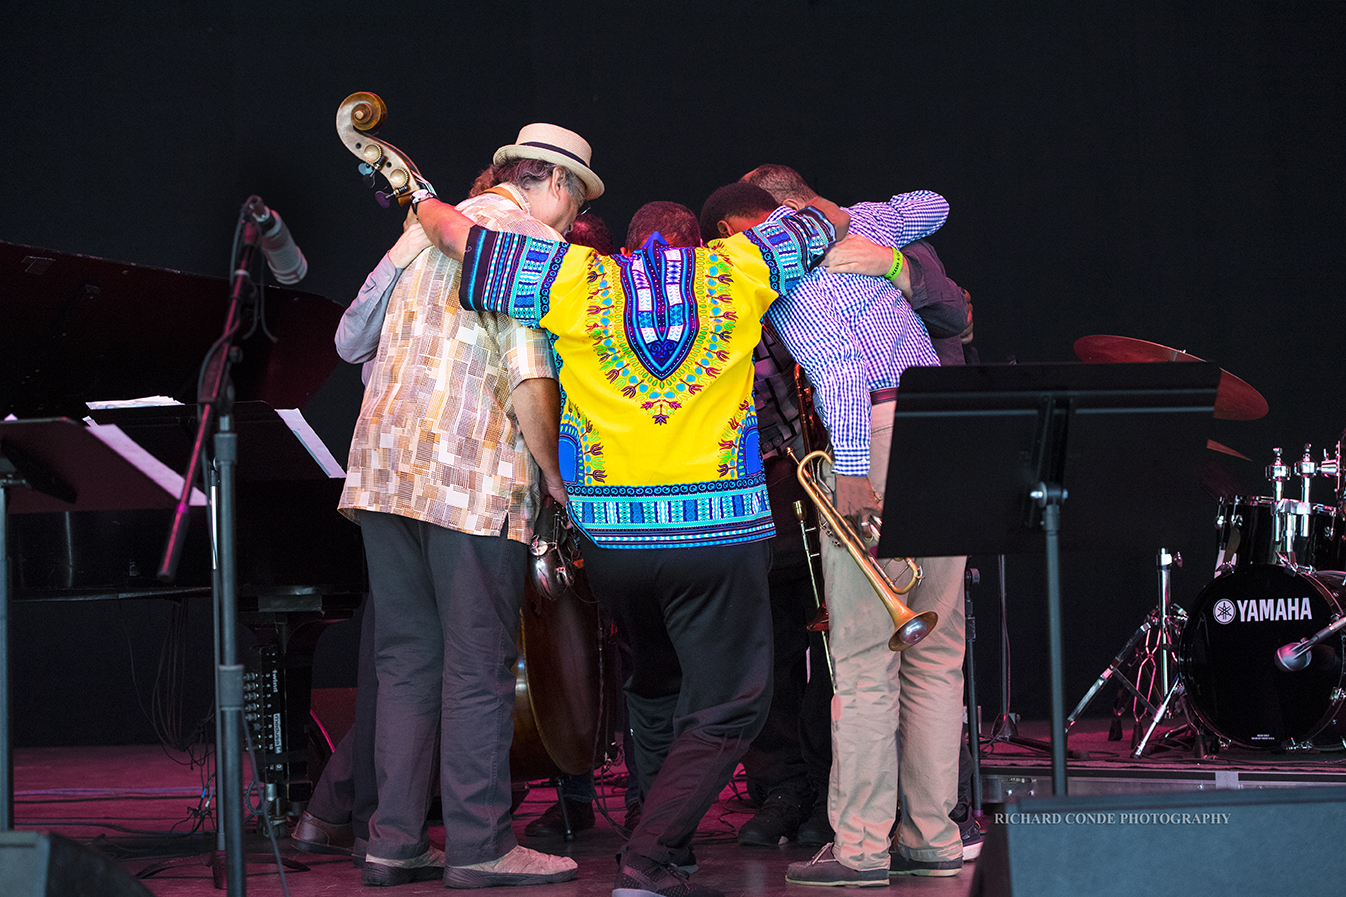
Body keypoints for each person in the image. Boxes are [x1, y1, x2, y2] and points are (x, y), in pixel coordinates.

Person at [413, 180, 944, 897]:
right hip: (715, 535)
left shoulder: (574, 275)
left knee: (654, 681)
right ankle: (653, 851)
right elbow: (866, 216)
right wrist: (862, 236)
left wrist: (411, 189)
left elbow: (456, 238)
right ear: (700, 242)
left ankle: (661, 834)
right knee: (731, 702)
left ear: (630, 248)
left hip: (614, 541)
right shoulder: (739, 264)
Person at [337, 123, 601, 888]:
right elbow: (527, 373)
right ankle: (482, 842)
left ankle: (393, 839)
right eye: (575, 204)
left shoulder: (422, 229)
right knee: (479, 665)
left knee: (405, 662)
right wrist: (554, 471)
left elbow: (349, 336)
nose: (572, 222)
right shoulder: (529, 245)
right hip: (470, 479)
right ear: (554, 184)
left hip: (383, 475)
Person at [732, 164, 967, 883]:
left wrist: (856, 471)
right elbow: (935, 200)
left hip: (877, 435)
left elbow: (836, 371)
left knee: (866, 664)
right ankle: (933, 836)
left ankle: (862, 847)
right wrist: (849, 218)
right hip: (946, 430)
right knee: (938, 650)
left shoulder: (786, 270)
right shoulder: (870, 218)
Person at [694, 186, 835, 849]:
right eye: (766, 229)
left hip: (825, 482)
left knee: (830, 648)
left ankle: (830, 786)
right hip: (762, 489)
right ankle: (783, 786)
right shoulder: (723, 287)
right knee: (769, 651)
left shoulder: (807, 280)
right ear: (730, 229)